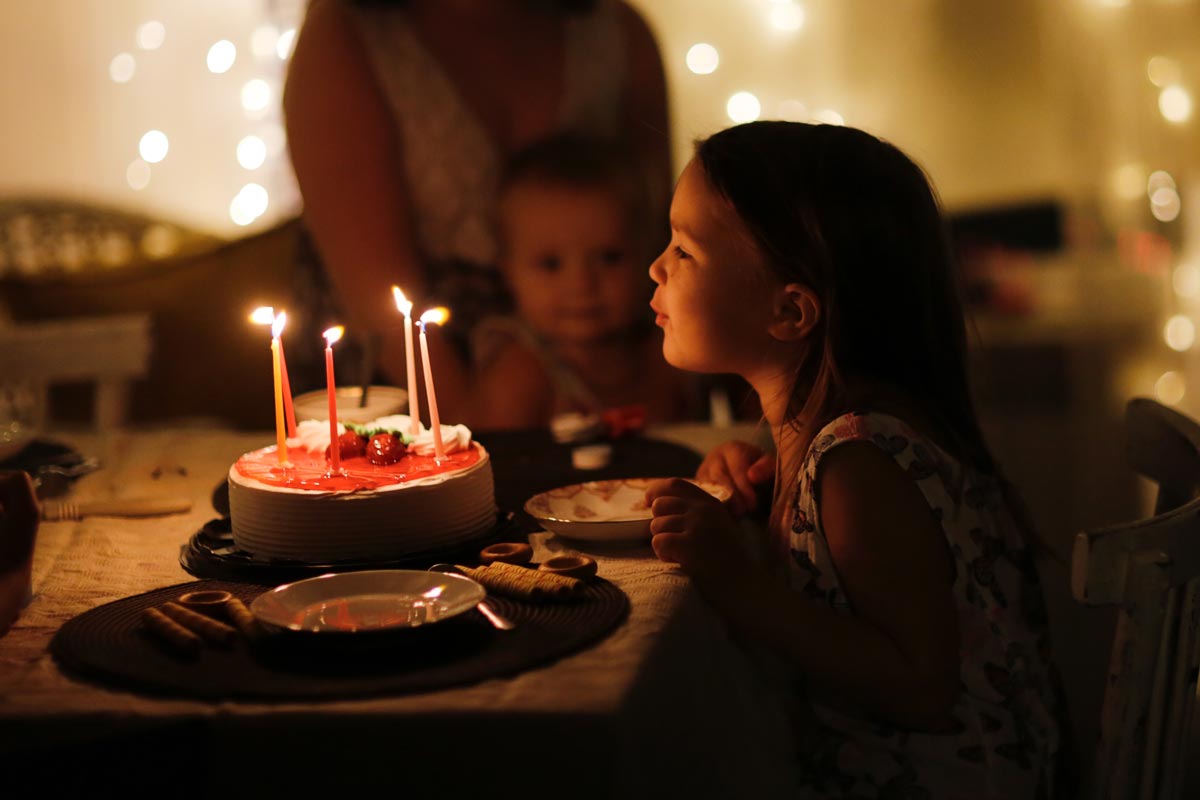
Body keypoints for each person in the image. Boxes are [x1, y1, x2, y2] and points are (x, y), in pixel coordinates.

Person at [644, 121, 1066, 797]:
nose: (655, 266)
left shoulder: (861, 463)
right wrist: (750, 466)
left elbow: (920, 687)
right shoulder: (826, 437)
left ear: (790, 312)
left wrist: (737, 581)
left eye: (685, 251)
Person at [283, 0, 671, 420]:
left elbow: (661, 231)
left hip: (615, 359)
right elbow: (375, 299)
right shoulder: (347, 34)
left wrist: (657, 380)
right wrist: (472, 426)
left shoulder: (614, 31)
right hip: (398, 388)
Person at [472, 135, 697, 430]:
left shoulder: (674, 347)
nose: (582, 284)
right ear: (508, 273)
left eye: (609, 257)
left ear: (649, 254)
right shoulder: (521, 375)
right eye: (551, 264)